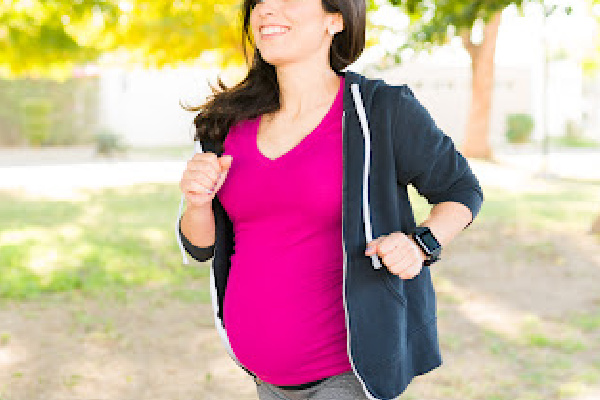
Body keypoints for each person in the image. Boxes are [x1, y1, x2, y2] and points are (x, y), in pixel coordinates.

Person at [176, 0, 484, 399]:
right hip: (262, 377)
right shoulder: (227, 123)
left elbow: (462, 190)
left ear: (335, 19)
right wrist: (197, 202)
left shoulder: (381, 111)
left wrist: (420, 244)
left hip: (346, 375)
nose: (268, 10)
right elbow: (201, 247)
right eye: (260, 2)